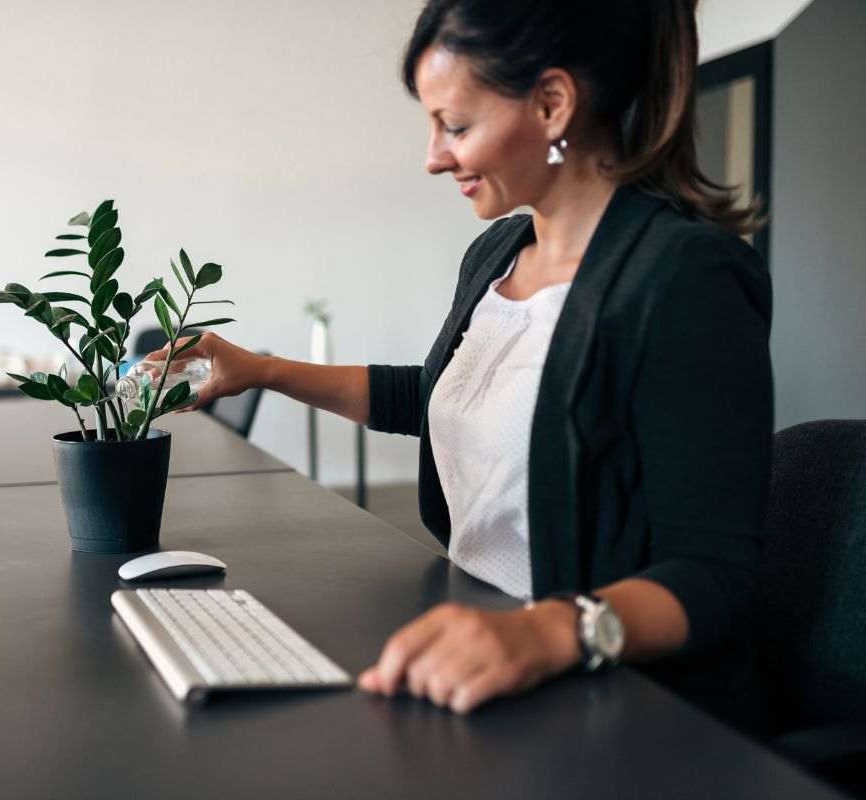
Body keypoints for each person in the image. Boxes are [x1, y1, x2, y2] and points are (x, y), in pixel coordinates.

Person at [143, 0, 771, 733]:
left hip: (621, 704)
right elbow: (445, 395)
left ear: (551, 104)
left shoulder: (683, 278)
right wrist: (265, 369)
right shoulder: (498, 254)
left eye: (457, 125)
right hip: (483, 639)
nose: (434, 156)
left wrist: (546, 632)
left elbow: (714, 574)